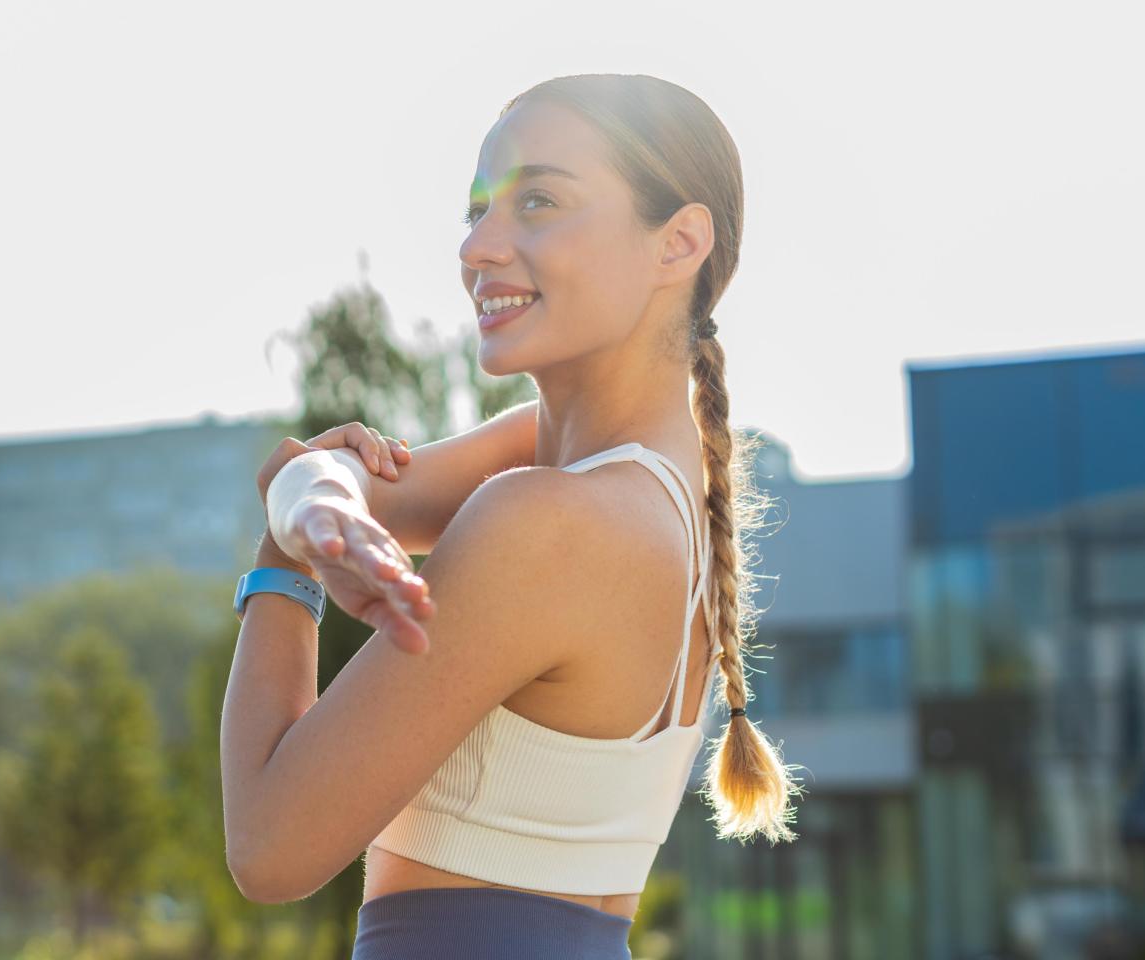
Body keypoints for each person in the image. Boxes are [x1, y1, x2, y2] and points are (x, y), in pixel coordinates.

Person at [221, 73, 803, 959]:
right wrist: (313, 494)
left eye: (538, 201)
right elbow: (337, 485)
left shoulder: (548, 522)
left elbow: (269, 847)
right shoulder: (632, 480)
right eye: (477, 210)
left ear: (677, 242)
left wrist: (284, 564)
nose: (479, 248)